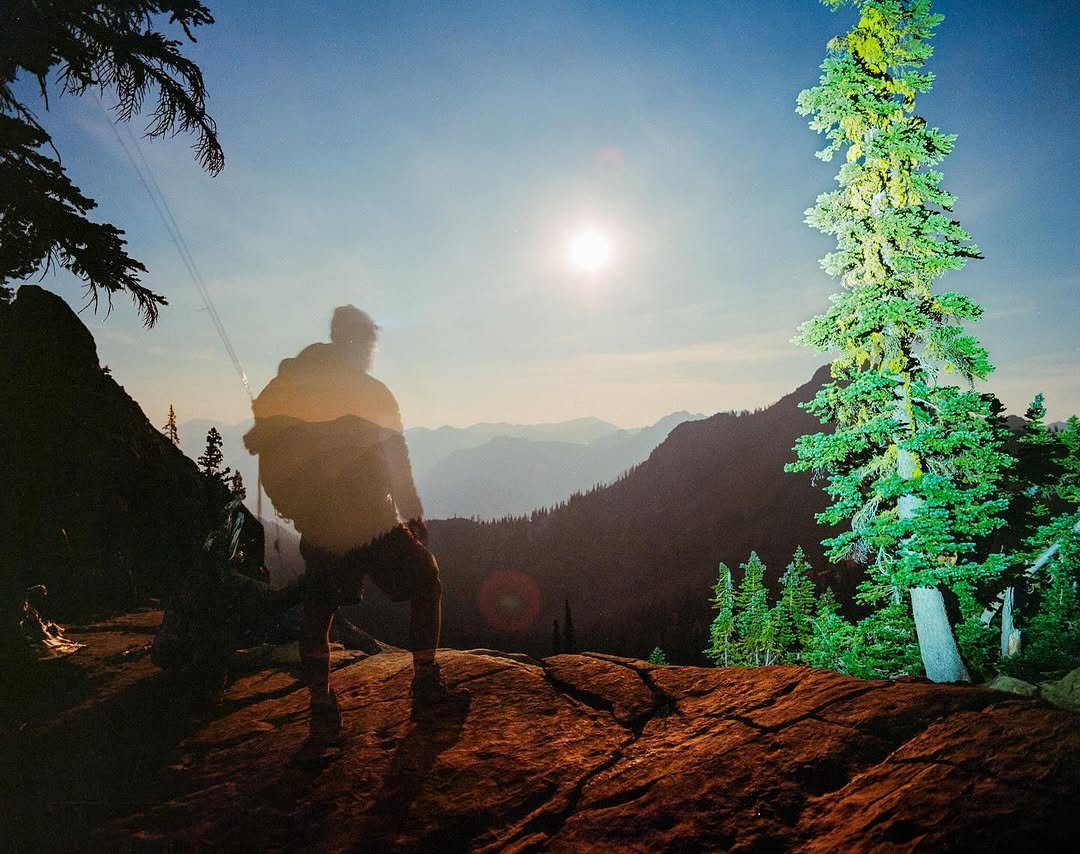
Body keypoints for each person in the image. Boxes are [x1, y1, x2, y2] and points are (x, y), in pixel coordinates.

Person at [244, 306, 461, 747]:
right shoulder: (372, 393)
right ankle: (424, 685)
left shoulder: (297, 388)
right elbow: (396, 459)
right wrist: (412, 513)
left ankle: (321, 709)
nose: (371, 352)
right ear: (358, 341)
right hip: (370, 521)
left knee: (318, 610)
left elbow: (266, 434)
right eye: (369, 343)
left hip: (320, 523)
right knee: (426, 578)